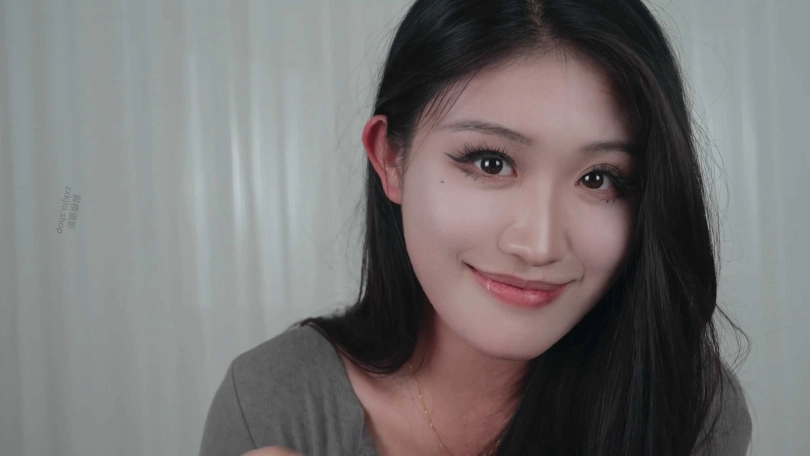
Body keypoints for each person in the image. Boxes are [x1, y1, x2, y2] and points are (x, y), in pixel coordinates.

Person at [200, 0, 753, 455]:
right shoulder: (270, 403)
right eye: (491, 163)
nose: (538, 245)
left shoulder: (687, 406)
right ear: (391, 159)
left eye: (599, 178)